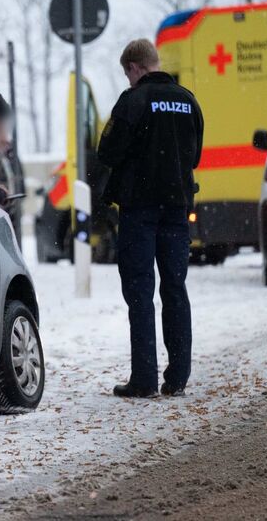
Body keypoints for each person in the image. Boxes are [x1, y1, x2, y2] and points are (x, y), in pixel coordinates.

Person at [98, 39, 203, 398]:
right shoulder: (189, 100)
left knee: (140, 292)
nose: (127, 79)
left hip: (140, 210)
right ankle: (177, 377)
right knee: (175, 287)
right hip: (177, 208)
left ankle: (144, 378)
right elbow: (195, 156)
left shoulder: (134, 101)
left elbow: (108, 151)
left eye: (127, 73)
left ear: (134, 67)